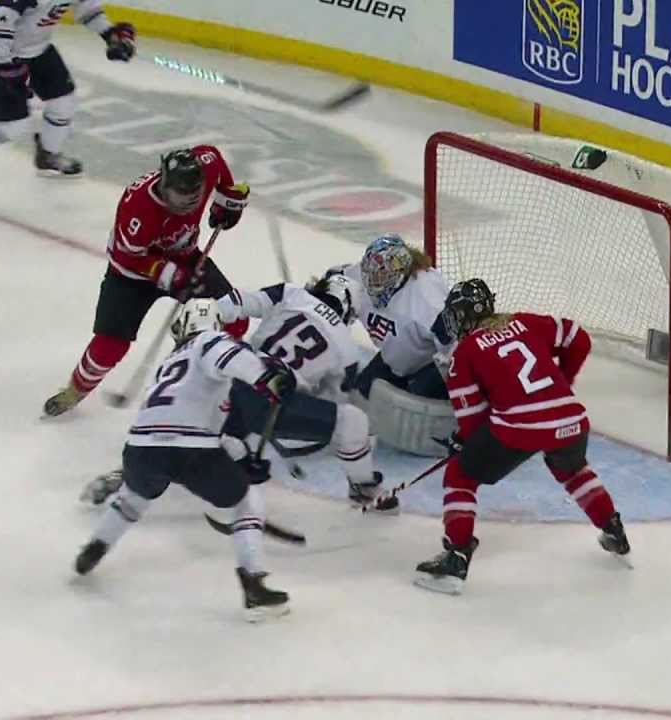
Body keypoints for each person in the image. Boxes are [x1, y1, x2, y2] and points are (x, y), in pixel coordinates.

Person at [73, 299, 296, 622]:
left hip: (139, 447)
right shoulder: (210, 341)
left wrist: (239, 456)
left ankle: (95, 547)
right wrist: (268, 379)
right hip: (190, 448)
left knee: (133, 498)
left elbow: (200, 422)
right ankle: (254, 587)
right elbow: (232, 359)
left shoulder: (170, 363)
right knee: (246, 502)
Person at [413, 279, 631, 595]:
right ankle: (613, 529)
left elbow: (473, 422)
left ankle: (457, 557)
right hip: (570, 418)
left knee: (460, 474)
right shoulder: (525, 322)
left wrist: (463, 444)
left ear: (462, 316)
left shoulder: (465, 353)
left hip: (520, 427)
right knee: (572, 470)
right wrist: (563, 382)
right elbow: (579, 339)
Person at [42, 145, 250, 417]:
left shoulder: (205, 165)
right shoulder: (138, 207)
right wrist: (173, 275)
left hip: (186, 258)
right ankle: (75, 390)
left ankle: (213, 377)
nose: (190, 201)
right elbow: (128, 258)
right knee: (111, 345)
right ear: (165, 185)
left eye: (196, 193)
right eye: (181, 194)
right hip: (131, 275)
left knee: (234, 315)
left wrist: (227, 199)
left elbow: (215, 159)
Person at [213, 271, 398, 510]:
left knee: (224, 413)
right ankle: (363, 487)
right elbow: (330, 401)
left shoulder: (290, 293)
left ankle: (221, 444)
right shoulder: (347, 351)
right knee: (353, 422)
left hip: (230, 379)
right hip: (270, 404)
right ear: (348, 310)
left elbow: (234, 303)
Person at [0, 0, 136, 186]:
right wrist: (7, 68)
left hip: (39, 51)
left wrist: (110, 35)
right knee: (13, 125)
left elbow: (86, 7)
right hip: (2, 58)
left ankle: (48, 155)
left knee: (64, 102)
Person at [343, 233, 453, 401]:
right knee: (360, 395)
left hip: (430, 365)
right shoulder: (359, 277)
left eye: (381, 273)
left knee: (410, 406)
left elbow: (456, 351)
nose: (372, 280)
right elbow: (330, 286)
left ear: (398, 271)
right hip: (395, 361)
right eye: (369, 272)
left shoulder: (428, 301)